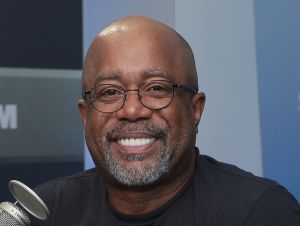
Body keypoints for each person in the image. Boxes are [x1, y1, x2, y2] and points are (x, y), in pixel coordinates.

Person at [32, 16, 300, 226]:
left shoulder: (260, 212)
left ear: (195, 109)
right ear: (85, 115)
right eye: (110, 92)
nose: (133, 110)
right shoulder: (47, 209)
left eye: (156, 88)